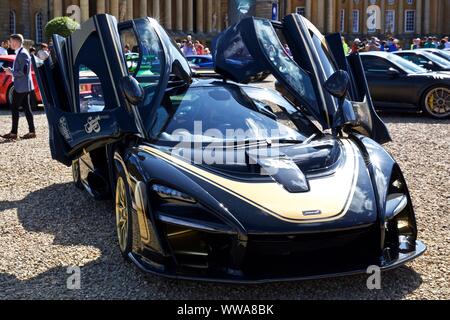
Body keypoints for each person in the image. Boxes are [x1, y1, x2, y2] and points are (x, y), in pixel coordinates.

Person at [1, 34, 36, 141]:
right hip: (23, 86)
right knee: (26, 108)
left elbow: (24, 72)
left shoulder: (23, 54)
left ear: (16, 42)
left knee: (14, 108)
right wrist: (11, 70)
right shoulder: (21, 53)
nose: (10, 43)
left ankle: (13, 133)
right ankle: (31, 131)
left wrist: (11, 72)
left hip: (21, 87)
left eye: (11, 41)